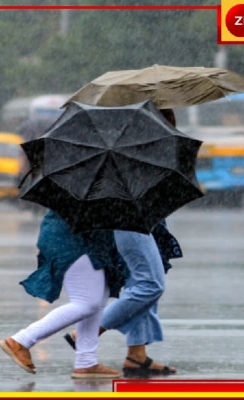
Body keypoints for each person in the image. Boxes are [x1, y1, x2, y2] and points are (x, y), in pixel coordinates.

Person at [64, 108, 181, 377]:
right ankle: (89, 332)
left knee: (142, 282)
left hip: (143, 222)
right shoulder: (135, 150)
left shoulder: (146, 147)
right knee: (150, 284)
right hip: (130, 222)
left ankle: (137, 357)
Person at [0, 209, 129, 379]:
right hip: (74, 241)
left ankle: (86, 362)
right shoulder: (88, 188)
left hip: (89, 241)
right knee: (86, 303)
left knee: (97, 300)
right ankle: (21, 341)